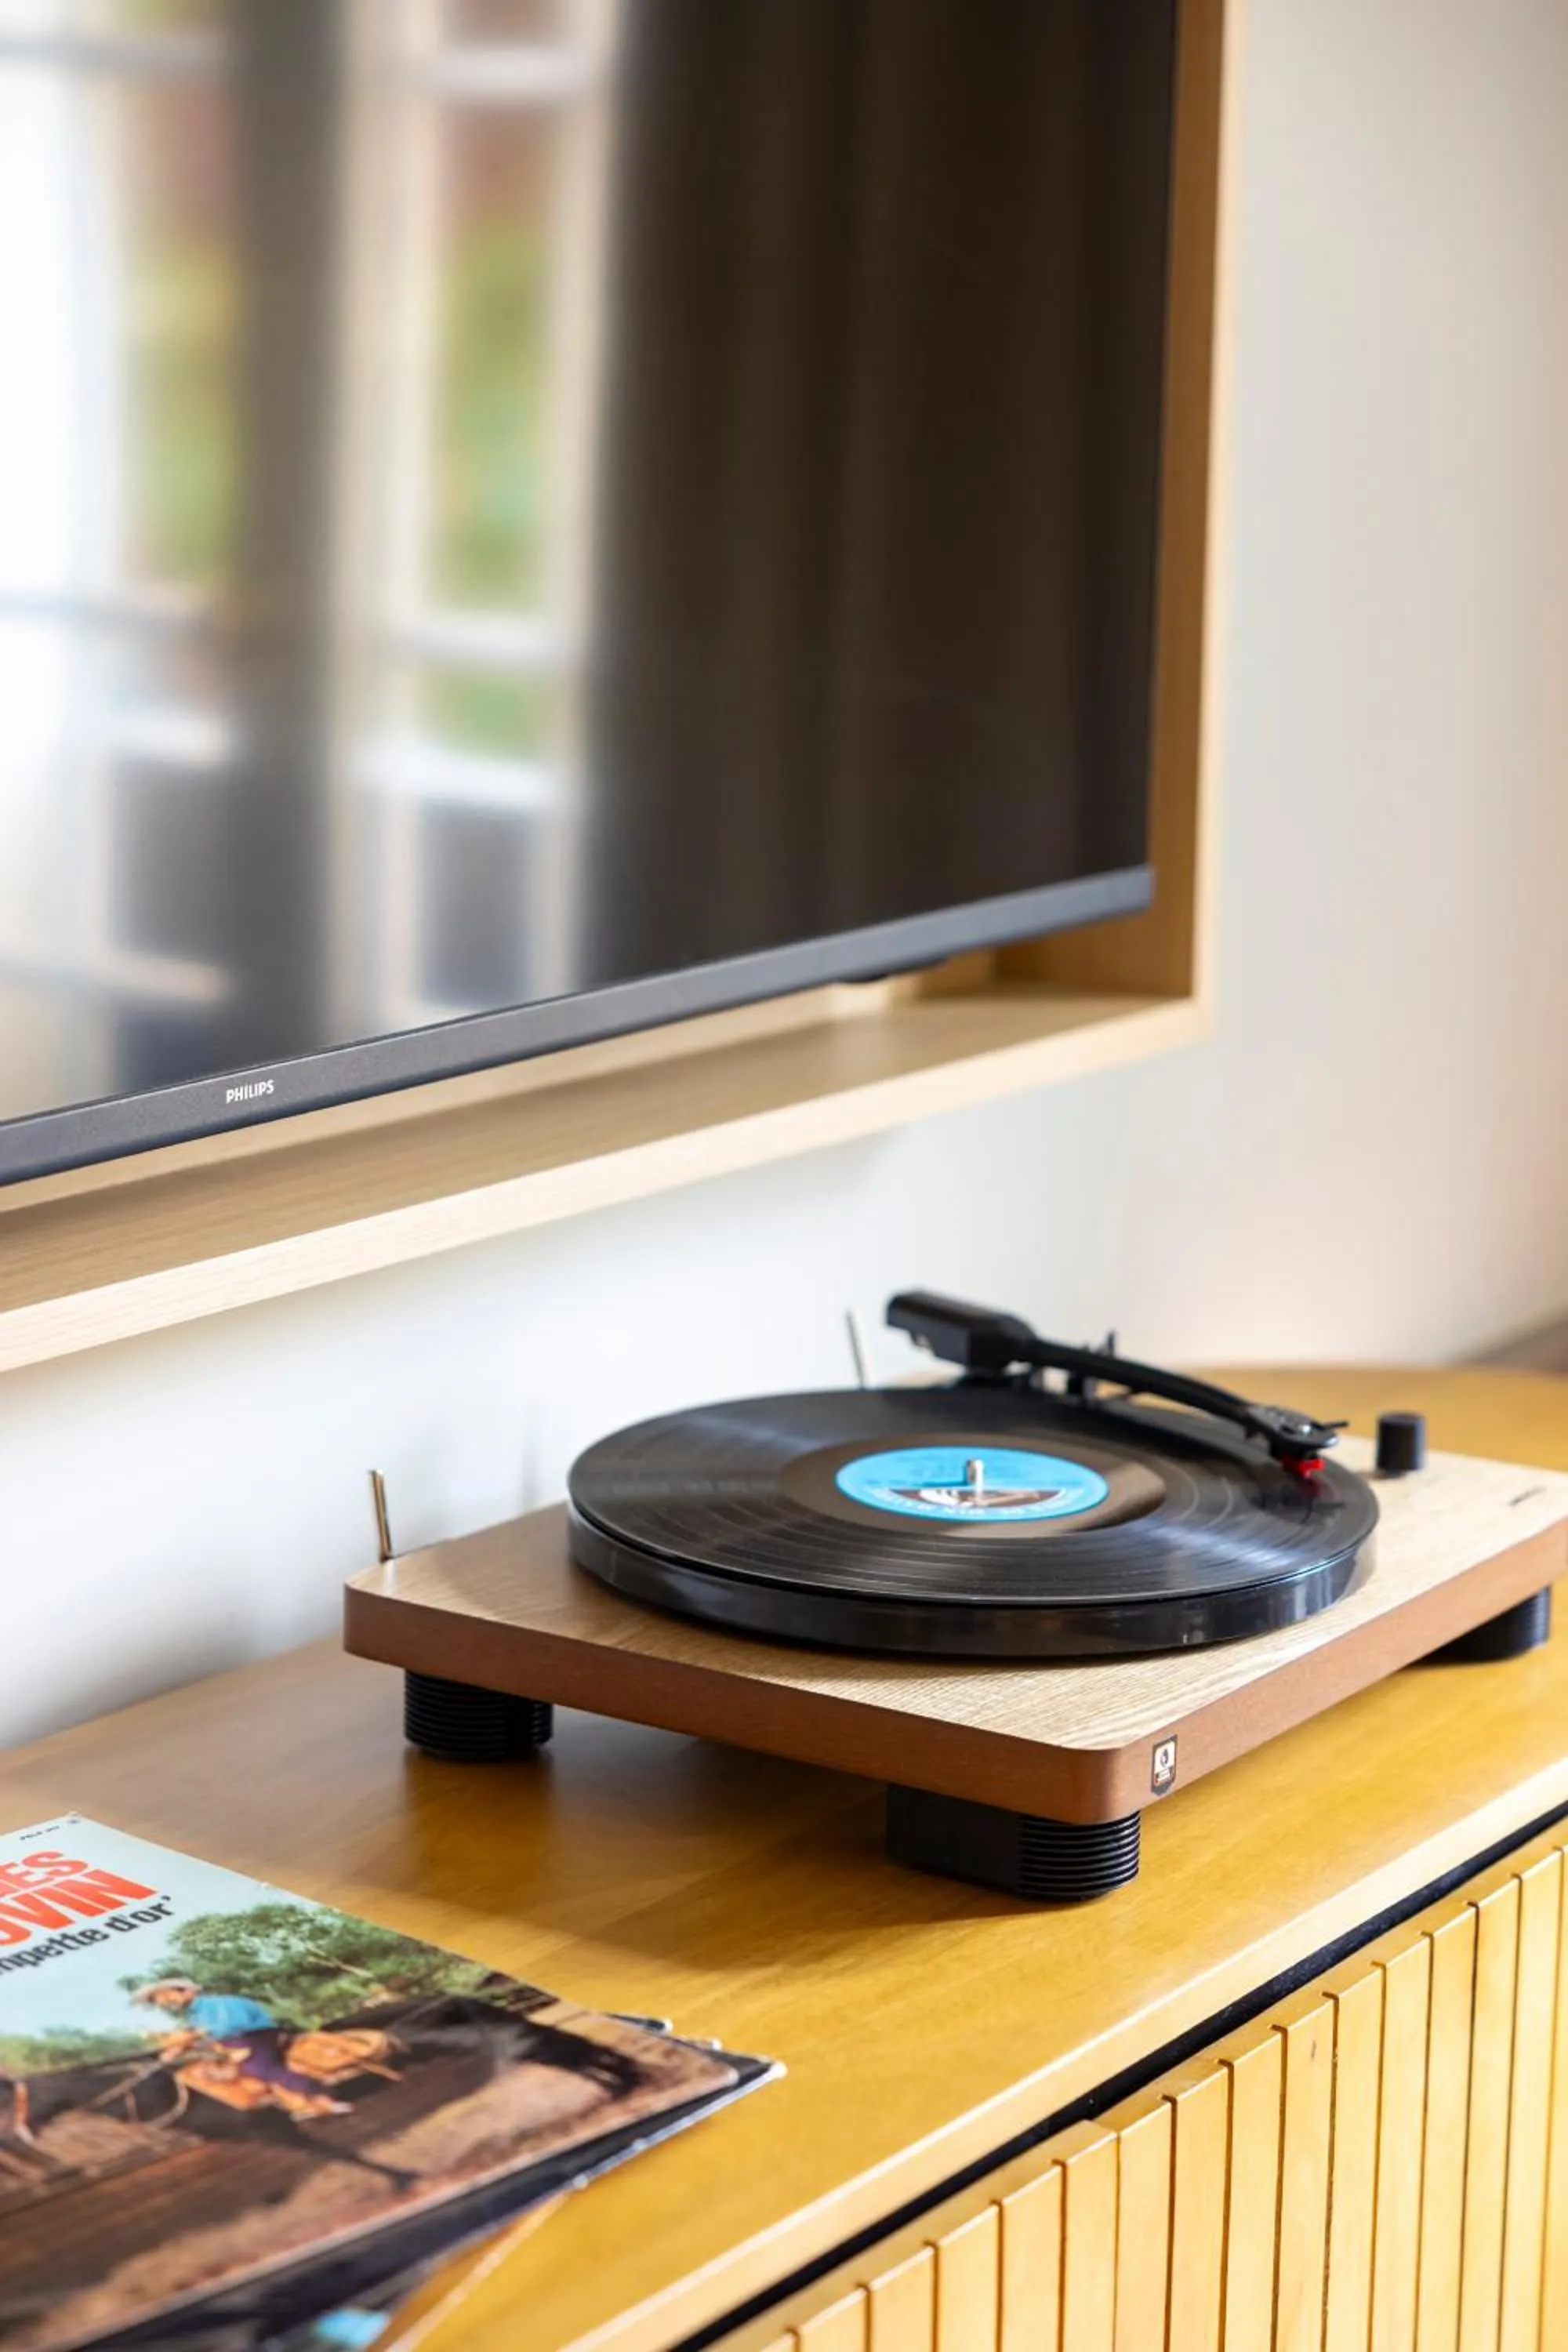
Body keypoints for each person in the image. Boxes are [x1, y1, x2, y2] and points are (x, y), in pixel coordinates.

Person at [132, 1978, 351, 2118]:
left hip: (254, 2036)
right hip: (232, 2042)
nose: (165, 2002)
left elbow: (230, 2026)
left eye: (166, 1996)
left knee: (259, 2069)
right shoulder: (195, 2015)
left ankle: (324, 2098)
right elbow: (205, 2035)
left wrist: (191, 2037)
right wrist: (177, 2050)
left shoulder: (217, 2004)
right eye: (159, 2001)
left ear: (186, 1991)